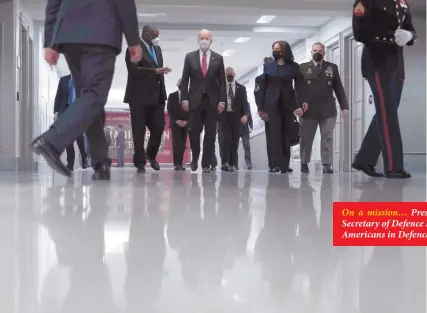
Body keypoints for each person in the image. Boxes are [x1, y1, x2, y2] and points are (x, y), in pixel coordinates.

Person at [31, 0, 142, 180]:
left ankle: (101, 162)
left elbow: (54, 3)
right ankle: (52, 141)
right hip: (101, 32)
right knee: (95, 95)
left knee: (88, 100)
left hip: (69, 34)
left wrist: (51, 42)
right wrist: (133, 40)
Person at [352, 0, 415, 178]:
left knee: (387, 111)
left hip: (397, 64)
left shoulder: (402, 2)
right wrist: (390, 33)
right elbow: (359, 33)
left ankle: (364, 159)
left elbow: (410, 27)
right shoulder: (365, 1)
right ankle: (393, 167)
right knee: (388, 113)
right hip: (377, 63)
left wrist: (409, 35)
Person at [124, 24, 169, 174]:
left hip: (157, 96)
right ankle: (140, 162)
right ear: (146, 35)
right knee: (139, 130)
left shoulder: (157, 49)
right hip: (138, 96)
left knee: (159, 127)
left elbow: (159, 72)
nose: (157, 39)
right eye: (154, 36)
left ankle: (150, 154)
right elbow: (133, 70)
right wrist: (154, 71)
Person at [180, 29, 226, 173]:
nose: (204, 40)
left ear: (211, 40)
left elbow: (222, 82)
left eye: (207, 38)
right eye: (202, 38)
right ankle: (195, 157)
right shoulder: (190, 57)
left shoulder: (218, 58)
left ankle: (206, 163)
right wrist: (184, 99)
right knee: (194, 132)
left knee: (211, 133)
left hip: (212, 101)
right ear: (198, 40)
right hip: (195, 100)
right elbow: (185, 79)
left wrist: (222, 101)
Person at [299, 42, 349, 174]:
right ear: (311, 52)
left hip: (328, 109)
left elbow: (339, 88)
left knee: (327, 137)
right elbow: (297, 90)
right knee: (306, 138)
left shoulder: (332, 67)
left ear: (324, 53)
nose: (317, 52)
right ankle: (304, 162)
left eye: (320, 51)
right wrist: (298, 105)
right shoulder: (303, 68)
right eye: (315, 50)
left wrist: (344, 107)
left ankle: (327, 164)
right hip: (308, 110)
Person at [258, 41, 306, 173]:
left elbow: (299, 87)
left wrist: (299, 104)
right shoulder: (268, 66)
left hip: (287, 104)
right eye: (273, 49)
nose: (275, 51)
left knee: (286, 134)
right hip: (271, 104)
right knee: (274, 134)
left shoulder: (294, 67)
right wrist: (261, 108)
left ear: (284, 51)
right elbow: (263, 87)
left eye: (277, 49)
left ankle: (285, 164)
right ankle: (275, 164)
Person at [53, 74, 89, 172]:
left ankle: (84, 156)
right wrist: (56, 112)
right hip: (65, 112)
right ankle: (70, 164)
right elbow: (58, 96)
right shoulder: (63, 80)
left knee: (79, 137)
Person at [219, 67, 250, 171]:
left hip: (237, 117)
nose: (229, 75)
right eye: (227, 73)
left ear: (234, 74)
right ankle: (225, 162)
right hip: (225, 116)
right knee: (226, 139)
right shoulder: (221, 87)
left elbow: (245, 103)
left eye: (230, 73)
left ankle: (233, 164)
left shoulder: (241, 88)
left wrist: (246, 115)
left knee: (235, 140)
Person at [254, 56, 274, 172]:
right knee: (271, 139)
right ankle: (272, 164)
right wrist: (261, 110)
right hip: (267, 113)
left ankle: (283, 163)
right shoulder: (260, 79)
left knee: (282, 138)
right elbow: (258, 96)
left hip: (280, 112)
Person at [167, 79, 188, 171]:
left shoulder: (189, 96)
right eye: (180, 84)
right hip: (175, 124)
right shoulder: (172, 96)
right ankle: (176, 164)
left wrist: (186, 121)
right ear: (177, 85)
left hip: (185, 124)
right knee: (176, 144)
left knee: (182, 145)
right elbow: (170, 110)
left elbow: (192, 110)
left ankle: (180, 164)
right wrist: (176, 120)